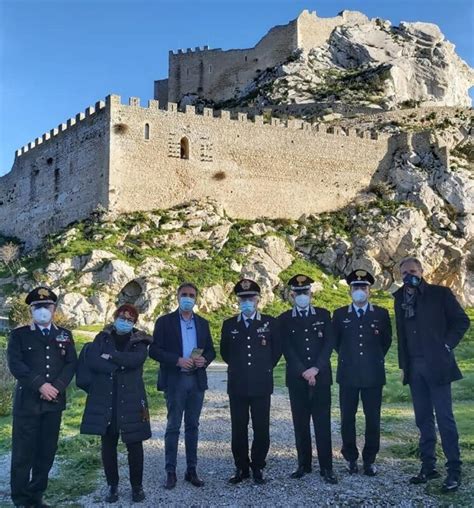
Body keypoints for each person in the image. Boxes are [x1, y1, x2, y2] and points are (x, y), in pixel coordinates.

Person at [394, 257, 470, 493]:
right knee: (423, 419)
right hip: (414, 367)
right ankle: (428, 466)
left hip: (438, 366)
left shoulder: (441, 294)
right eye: (405, 272)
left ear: (422, 271)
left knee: (445, 419)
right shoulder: (399, 299)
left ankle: (454, 470)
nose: (409, 275)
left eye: (413, 271)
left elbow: (461, 321)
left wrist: (446, 345)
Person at [7, 287, 77, 508]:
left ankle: (36, 495)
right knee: (22, 454)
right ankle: (20, 499)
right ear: (31, 310)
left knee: (46, 452)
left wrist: (56, 387)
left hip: (53, 403)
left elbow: (71, 364)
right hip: (27, 403)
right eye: (37, 307)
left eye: (46, 306)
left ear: (54, 308)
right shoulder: (19, 335)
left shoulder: (65, 335)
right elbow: (16, 365)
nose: (42, 310)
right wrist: (41, 385)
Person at [80, 304, 152, 503]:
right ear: (114, 317)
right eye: (121, 317)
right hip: (108, 397)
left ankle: (137, 487)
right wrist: (120, 362)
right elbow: (93, 360)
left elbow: (135, 360)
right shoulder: (101, 337)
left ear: (134, 322)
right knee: (108, 443)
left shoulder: (140, 340)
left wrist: (111, 356)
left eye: (130, 319)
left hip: (131, 398)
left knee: (135, 443)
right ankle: (112, 486)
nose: (125, 320)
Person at [149, 282, 215, 490]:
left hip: (196, 380)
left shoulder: (203, 323)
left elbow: (211, 350)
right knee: (173, 426)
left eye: (192, 295)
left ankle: (191, 470)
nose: (188, 298)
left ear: (197, 299)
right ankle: (171, 471)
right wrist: (176, 360)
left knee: (193, 426)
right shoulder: (164, 322)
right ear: (177, 296)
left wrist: (204, 359)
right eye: (184, 294)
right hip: (175, 380)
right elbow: (154, 351)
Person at [220, 278, 282, 485]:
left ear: (258, 300)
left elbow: (275, 352)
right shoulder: (229, 325)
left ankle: (258, 466)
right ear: (238, 300)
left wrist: (261, 369)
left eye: (250, 298)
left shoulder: (270, 323)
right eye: (242, 298)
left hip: (261, 384)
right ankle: (241, 467)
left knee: (261, 427)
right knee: (238, 428)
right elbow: (225, 353)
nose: (246, 301)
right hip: (237, 385)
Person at [278, 274, 337, 484]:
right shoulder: (284, 319)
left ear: (311, 293)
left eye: (306, 292)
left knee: (322, 424)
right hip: (297, 378)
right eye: (298, 292)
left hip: (320, 377)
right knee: (300, 423)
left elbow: (328, 344)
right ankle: (303, 464)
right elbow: (287, 349)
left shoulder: (323, 314)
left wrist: (315, 369)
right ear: (292, 295)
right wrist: (304, 371)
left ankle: (326, 467)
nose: (302, 295)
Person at [333, 269, 392, 476]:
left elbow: (385, 342)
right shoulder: (340, 314)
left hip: (373, 375)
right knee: (347, 418)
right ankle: (350, 458)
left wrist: (370, 358)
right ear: (350, 290)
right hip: (348, 374)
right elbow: (337, 343)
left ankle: (369, 460)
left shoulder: (381, 314)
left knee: (372, 419)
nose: (360, 290)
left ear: (370, 291)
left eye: (363, 287)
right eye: (356, 287)